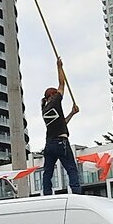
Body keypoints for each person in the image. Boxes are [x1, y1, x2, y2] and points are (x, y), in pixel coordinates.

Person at [41, 57, 81, 196]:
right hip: (61, 143)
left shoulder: (45, 110)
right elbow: (62, 84)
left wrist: (72, 113)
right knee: (71, 169)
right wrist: (59, 67)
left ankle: (47, 194)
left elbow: (61, 123)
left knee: (48, 172)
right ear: (52, 95)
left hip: (49, 144)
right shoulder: (55, 101)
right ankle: (76, 193)